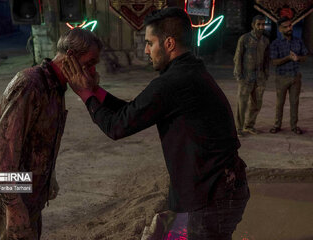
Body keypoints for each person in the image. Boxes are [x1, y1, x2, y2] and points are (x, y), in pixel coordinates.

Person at [63, 7, 249, 239]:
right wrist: (95, 91)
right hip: (212, 190)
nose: (146, 50)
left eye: (150, 43)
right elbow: (131, 111)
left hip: (212, 197)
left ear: (169, 44)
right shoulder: (187, 71)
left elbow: (116, 127)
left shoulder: (174, 83)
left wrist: (85, 93)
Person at [0, 28, 102, 240]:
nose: (92, 72)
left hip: (28, 193)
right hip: (12, 194)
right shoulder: (30, 84)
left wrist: (48, 178)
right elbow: (3, 150)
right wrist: (13, 205)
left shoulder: (55, 86)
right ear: (70, 57)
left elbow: (40, 141)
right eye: (89, 63)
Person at [269, 17, 308, 134]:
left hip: (295, 77)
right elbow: (274, 62)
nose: (289, 28)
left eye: (290, 26)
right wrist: (288, 58)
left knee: (294, 102)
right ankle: (277, 125)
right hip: (281, 77)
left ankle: (294, 126)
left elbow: (305, 56)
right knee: (280, 103)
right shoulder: (276, 43)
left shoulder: (298, 41)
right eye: (285, 27)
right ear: (280, 29)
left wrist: (298, 58)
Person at [234, 15, 270, 137]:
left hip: (259, 78)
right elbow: (238, 57)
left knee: (256, 103)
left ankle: (249, 126)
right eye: (258, 24)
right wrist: (239, 75)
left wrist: (266, 74)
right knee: (242, 104)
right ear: (253, 25)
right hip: (246, 77)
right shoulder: (244, 39)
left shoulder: (265, 41)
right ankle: (239, 128)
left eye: (263, 24)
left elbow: (266, 59)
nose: (261, 27)